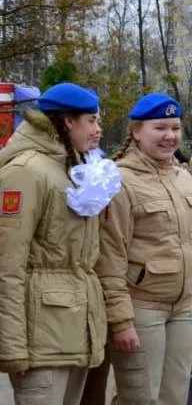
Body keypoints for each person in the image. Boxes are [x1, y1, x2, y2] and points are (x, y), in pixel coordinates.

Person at [97, 93, 192, 405]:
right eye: (160, 128)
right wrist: (121, 321)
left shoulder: (184, 178)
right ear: (136, 131)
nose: (170, 136)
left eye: (175, 128)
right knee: (139, 399)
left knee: (175, 396)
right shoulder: (120, 181)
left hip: (183, 308)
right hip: (142, 309)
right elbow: (110, 258)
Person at [0, 83, 110, 405]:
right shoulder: (27, 171)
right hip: (39, 342)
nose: (98, 128)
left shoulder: (72, 167)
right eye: (91, 120)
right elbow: (7, 266)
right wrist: (12, 347)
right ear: (67, 122)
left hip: (72, 333)